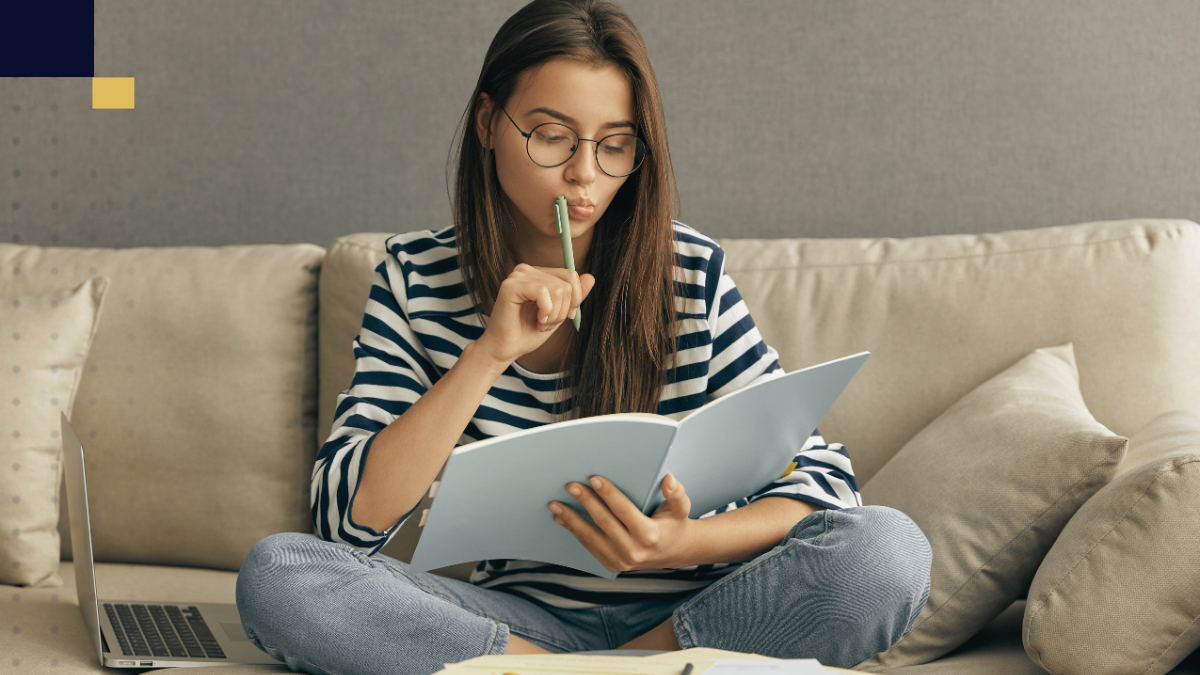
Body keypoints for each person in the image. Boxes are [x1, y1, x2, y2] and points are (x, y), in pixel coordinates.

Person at [235, 1, 932, 673]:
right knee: (281, 575)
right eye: (551, 135)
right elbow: (343, 525)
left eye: (615, 145)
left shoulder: (688, 272)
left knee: (886, 552)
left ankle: (611, 669)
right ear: (488, 122)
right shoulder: (415, 279)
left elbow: (824, 485)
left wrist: (678, 542)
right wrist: (487, 354)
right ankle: (610, 674)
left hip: (701, 609)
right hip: (519, 622)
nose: (584, 174)